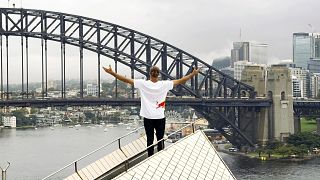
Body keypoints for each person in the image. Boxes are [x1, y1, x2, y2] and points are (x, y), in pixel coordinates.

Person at [103, 65, 201, 156]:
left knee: (149, 140)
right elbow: (181, 81)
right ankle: (160, 157)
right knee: (160, 140)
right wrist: (193, 74)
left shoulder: (143, 84)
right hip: (160, 117)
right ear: (158, 75)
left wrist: (112, 73)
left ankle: (150, 158)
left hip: (148, 117)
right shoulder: (165, 84)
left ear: (150, 74)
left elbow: (125, 80)